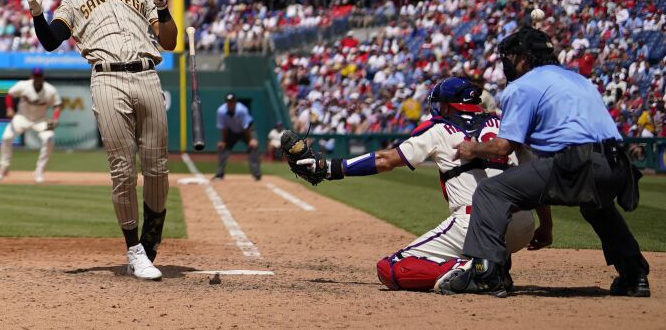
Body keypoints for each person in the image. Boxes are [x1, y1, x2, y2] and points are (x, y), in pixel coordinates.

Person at [437, 27, 649, 298]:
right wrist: (546, 225)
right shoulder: (580, 80)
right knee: (597, 206)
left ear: (524, 58)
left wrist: (472, 148)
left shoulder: (521, 86)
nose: (507, 63)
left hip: (577, 162)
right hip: (618, 166)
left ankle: (485, 274)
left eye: (510, 57)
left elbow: (503, 146)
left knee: (491, 191)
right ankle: (634, 275)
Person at [284, 77, 538, 292]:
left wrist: (328, 168)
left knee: (391, 268)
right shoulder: (506, 125)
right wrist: (545, 227)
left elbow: (386, 160)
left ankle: (477, 270)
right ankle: (493, 263)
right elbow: (536, 175)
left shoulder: (440, 128)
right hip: (523, 225)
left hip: (477, 224)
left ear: (448, 106)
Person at [25, 0, 177, 281]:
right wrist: (37, 13)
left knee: (157, 168)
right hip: (107, 78)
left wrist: (163, 7)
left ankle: (150, 240)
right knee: (122, 170)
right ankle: (135, 251)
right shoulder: (75, 3)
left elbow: (169, 42)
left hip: (148, 75)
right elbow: (51, 41)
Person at [0, 68, 64, 184]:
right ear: (31, 76)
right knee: (6, 137)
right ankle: (3, 168)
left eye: (39, 76)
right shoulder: (23, 85)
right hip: (22, 117)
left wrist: (55, 118)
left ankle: (39, 170)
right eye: (35, 76)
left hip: (41, 119)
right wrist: (10, 108)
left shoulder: (50, 90)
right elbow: (9, 95)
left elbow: (57, 105)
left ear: (42, 77)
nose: (37, 78)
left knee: (49, 139)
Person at [215, 93, 262, 181]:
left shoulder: (242, 110)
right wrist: (223, 141)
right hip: (231, 131)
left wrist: (251, 140)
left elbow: (246, 128)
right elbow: (223, 128)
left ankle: (256, 174)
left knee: (253, 147)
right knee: (222, 148)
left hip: (247, 131)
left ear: (235, 102)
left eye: (232, 102)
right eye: (228, 102)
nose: (230, 104)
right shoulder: (221, 111)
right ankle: (219, 174)